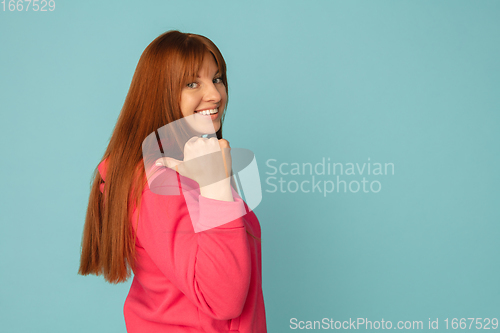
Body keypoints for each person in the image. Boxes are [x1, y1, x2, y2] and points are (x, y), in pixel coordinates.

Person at [78, 30, 267, 333]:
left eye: (217, 79)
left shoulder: (187, 169)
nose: (215, 95)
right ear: (160, 92)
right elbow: (224, 300)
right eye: (193, 83)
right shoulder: (158, 183)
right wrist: (217, 186)